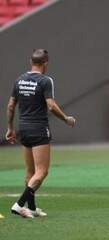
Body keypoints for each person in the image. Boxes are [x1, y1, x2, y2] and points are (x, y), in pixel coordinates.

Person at [6, 49, 76, 218]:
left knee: (30, 172)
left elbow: (10, 105)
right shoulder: (46, 80)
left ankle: (31, 207)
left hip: (23, 129)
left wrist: (9, 128)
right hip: (38, 129)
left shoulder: (19, 79)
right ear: (45, 63)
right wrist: (66, 119)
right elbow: (51, 105)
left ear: (31, 61)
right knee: (42, 171)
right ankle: (19, 204)